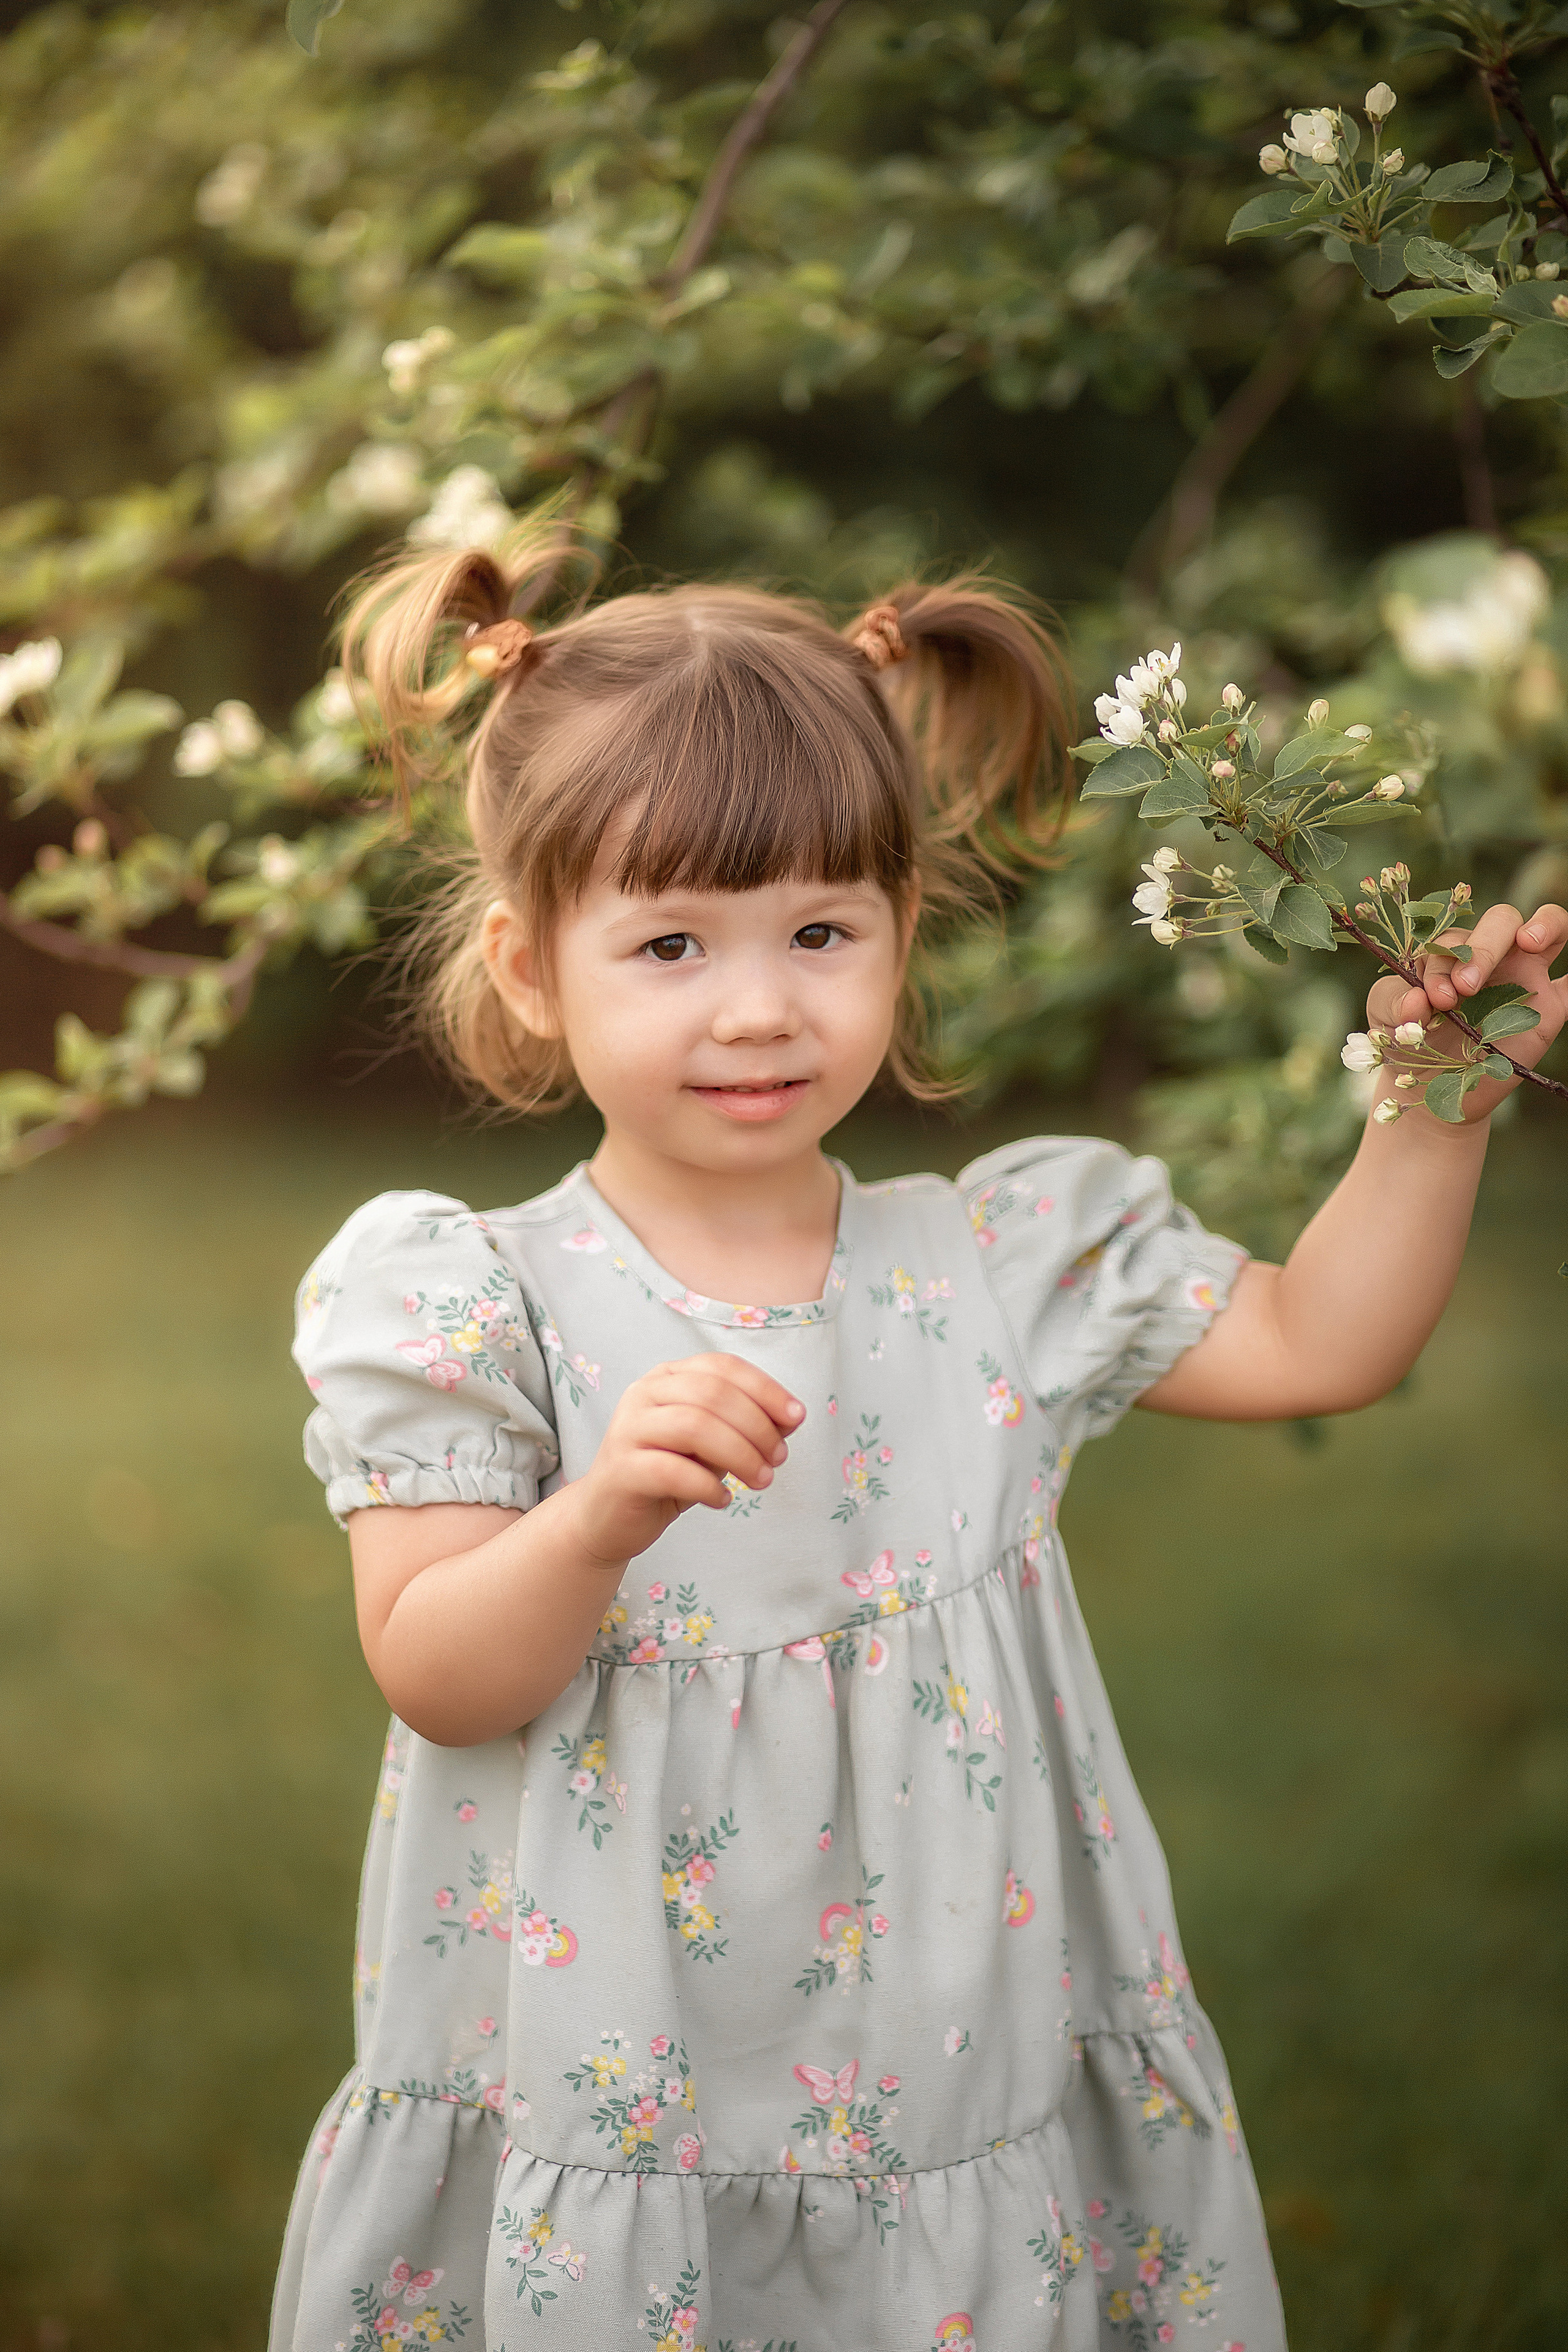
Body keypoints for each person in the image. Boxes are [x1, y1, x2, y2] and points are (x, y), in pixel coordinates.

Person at [270, 525, 1567, 2352]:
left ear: (901, 929)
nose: (757, 1005)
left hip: (953, 2054)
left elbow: (1315, 1338)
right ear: (534, 966)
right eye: (668, 943)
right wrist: (593, 1519)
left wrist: (1431, 1115)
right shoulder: (471, 1307)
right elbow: (438, 1672)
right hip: (621, 2073)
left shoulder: (998, 1260)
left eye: (821, 931)